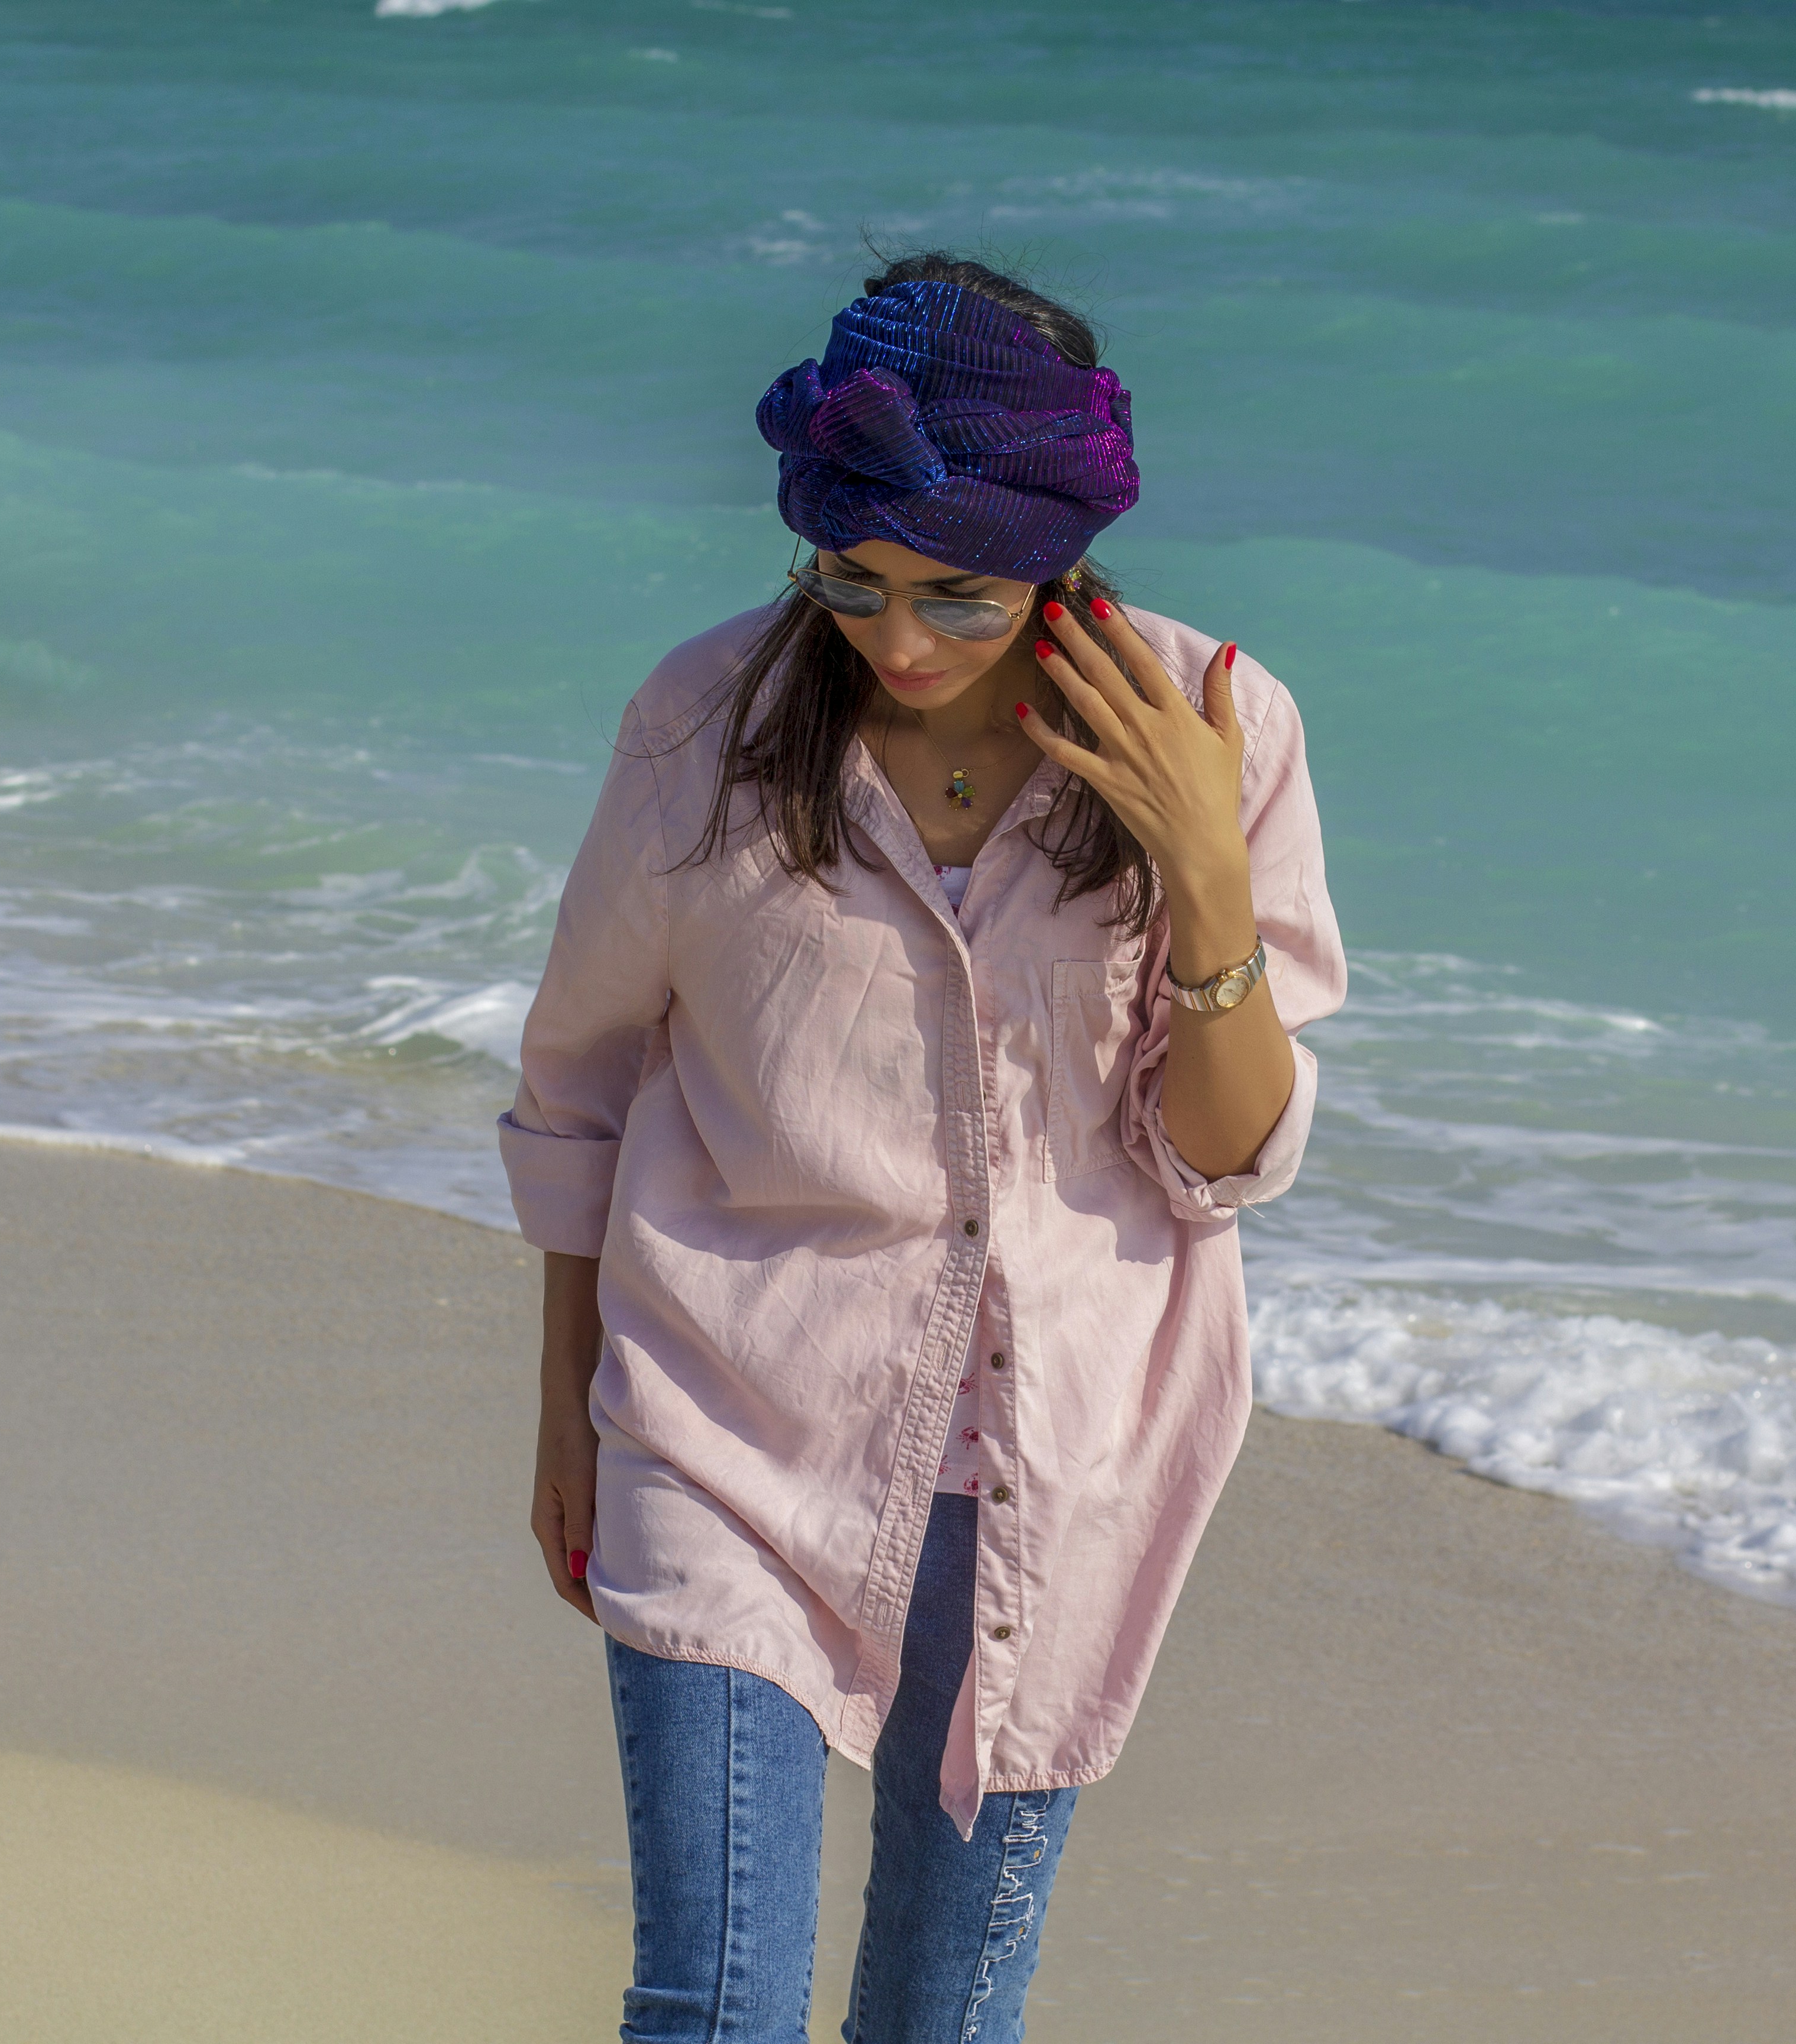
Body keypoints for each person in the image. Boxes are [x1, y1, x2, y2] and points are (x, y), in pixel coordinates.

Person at [503, 252, 1343, 2043]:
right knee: (713, 2004)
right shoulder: (705, 723)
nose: (895, 641)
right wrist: (566, 1399)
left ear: (1060, 548)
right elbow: (578, 1077)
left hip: (1060, 1461)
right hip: (721, 1415)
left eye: (959, 592)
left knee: (944, 2017)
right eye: (851, 579)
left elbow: (1224, 1159)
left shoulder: (1222, 730)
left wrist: (1200, 872)